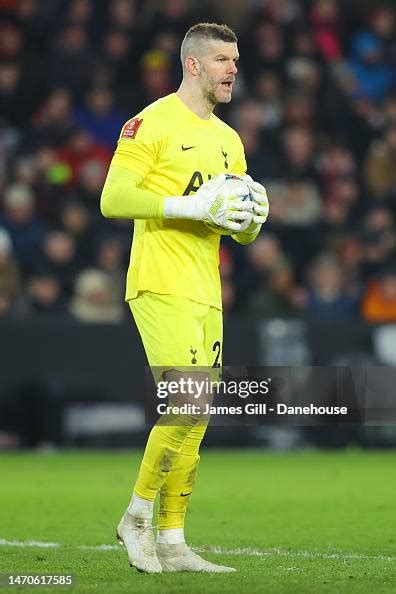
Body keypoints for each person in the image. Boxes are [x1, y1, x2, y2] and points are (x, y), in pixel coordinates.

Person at [100, 22, 269, 574]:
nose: (233, 69)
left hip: (205, 287)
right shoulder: (149, 122)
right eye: (223, 59)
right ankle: (137, 517)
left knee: (197, 417)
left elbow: (232, 220)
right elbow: (113, 198)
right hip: (158, 281)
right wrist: (190, 207)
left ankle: (173, 541)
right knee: (186, 405)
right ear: (193, 64)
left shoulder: (228, 138)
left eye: (236, 60)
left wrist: (247, 226)